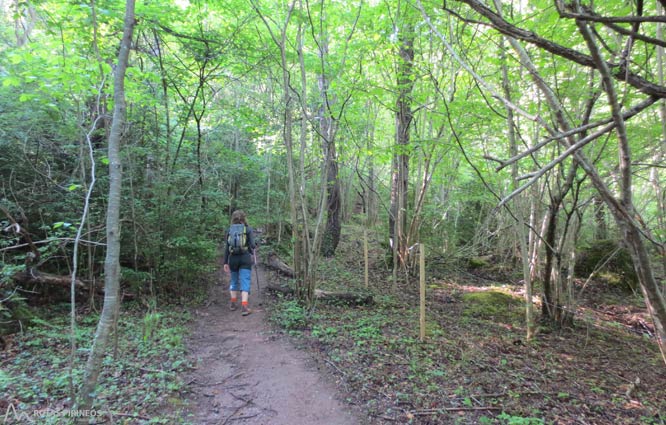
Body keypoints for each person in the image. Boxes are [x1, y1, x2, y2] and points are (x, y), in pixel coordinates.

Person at [223, 210, 256, 316]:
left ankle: (232, 303)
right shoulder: (248, 229)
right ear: (244, 218)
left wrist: (225, 262)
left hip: (233, 259)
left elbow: (227, 247)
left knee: (233, 280)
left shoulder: (229, 230)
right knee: (245, 280)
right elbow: (252, 245)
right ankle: (244, 306)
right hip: (245, 258)